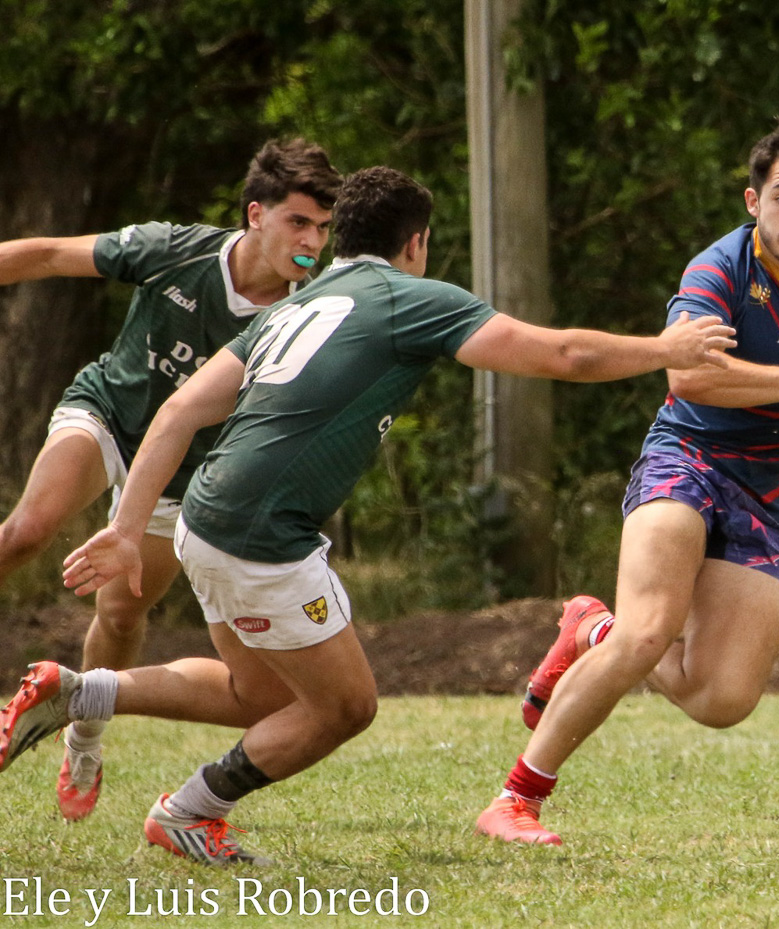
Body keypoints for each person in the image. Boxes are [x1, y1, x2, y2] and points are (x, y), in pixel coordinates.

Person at [0, 166, 737, 865]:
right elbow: (566, 355)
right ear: (414, 243)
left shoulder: (293, 305)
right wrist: (666, 348)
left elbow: (182, 408)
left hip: (203, 518)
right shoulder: (407, 298)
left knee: (255, 694)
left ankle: (79, 688)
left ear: (342, 235)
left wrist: (129, 527)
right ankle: (187, 812)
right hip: (262, 537)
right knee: (346, 707)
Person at [473, 119, 779, 847]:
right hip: (690, 458)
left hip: (769, 491)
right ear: (753, 200)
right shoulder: (719, 269)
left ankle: (589, 627)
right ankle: (515, 799)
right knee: (649, 633)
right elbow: (691, 374)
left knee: (722, 699)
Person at [0, 138, 341, 822]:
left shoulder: (307, 315)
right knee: (26, 530)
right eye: (298, 223)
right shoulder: (175, 249)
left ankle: (84, 736)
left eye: (325, 229)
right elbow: (44, 254)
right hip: (109, 417)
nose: (313, 242)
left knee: (122, 613)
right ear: (255, 215)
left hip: (184, 475)